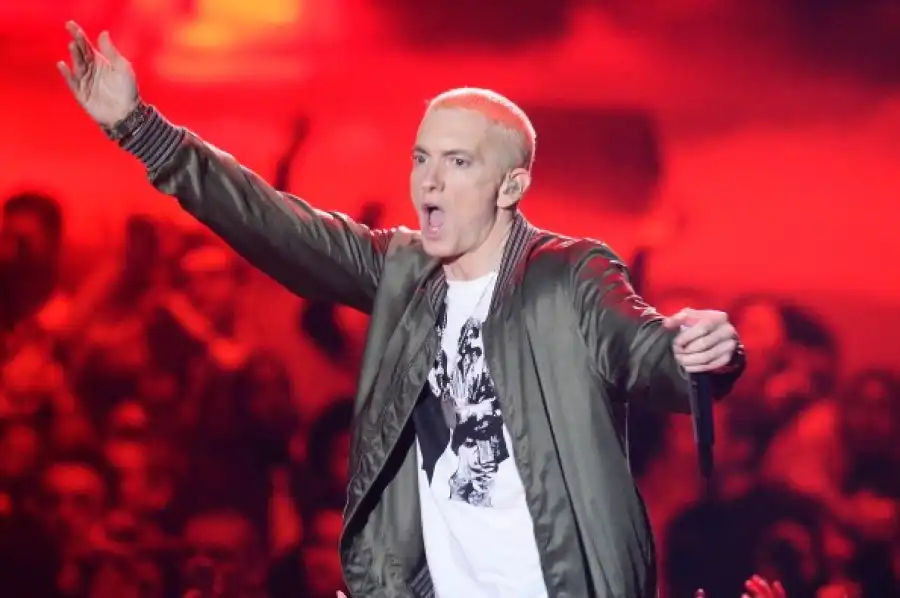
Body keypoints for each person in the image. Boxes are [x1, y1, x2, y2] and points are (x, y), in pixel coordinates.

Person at [58, 21, 746, 598]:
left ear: (511, 185)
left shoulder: (570, 274)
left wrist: (698, 353)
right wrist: (141, 131)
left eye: (457, 162)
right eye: (422, 159)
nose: (429, 181)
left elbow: (644, 350)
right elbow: (276, 226)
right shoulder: (402, 269)